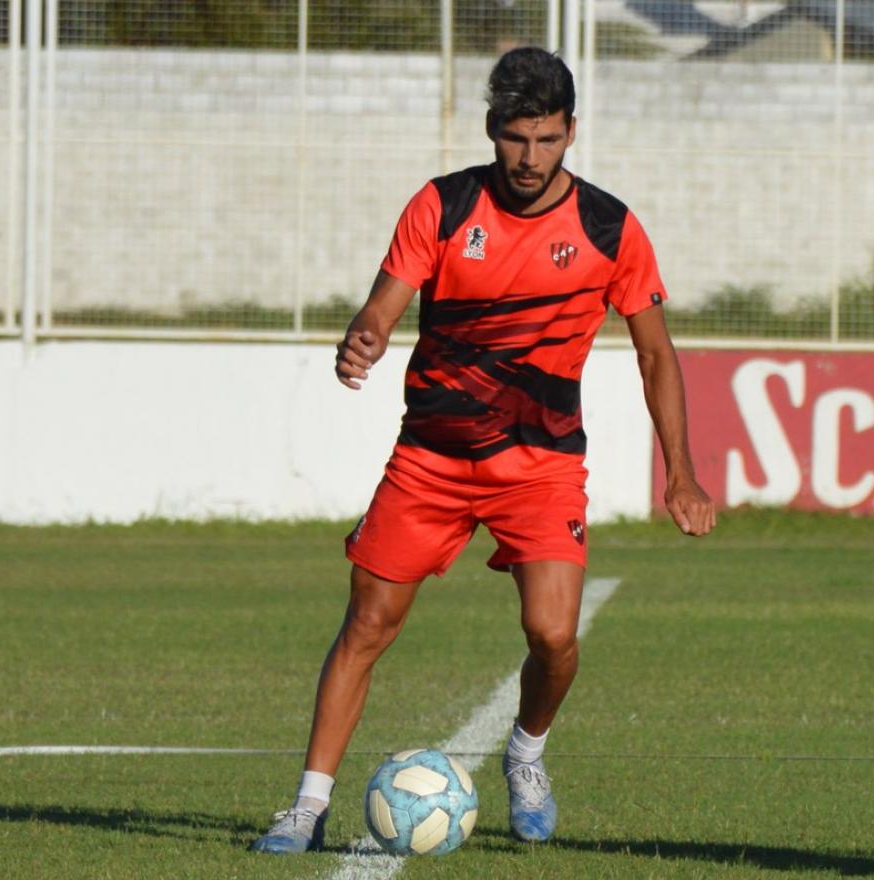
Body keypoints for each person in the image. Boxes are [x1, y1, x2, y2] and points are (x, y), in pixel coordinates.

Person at [250, 46, 715, 855]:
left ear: (571, 131)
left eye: (545, 138)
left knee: (553, 634)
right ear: (491, 129)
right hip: (430, 458)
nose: (528, 158)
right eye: (513, 137)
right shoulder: (443, 205)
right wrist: (363, 339)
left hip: (540, 466)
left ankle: (526, 752)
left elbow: (654, 353)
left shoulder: (610, 227)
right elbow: (382, 307)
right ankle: (306, 805)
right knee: (368, 622)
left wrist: (681, 469)